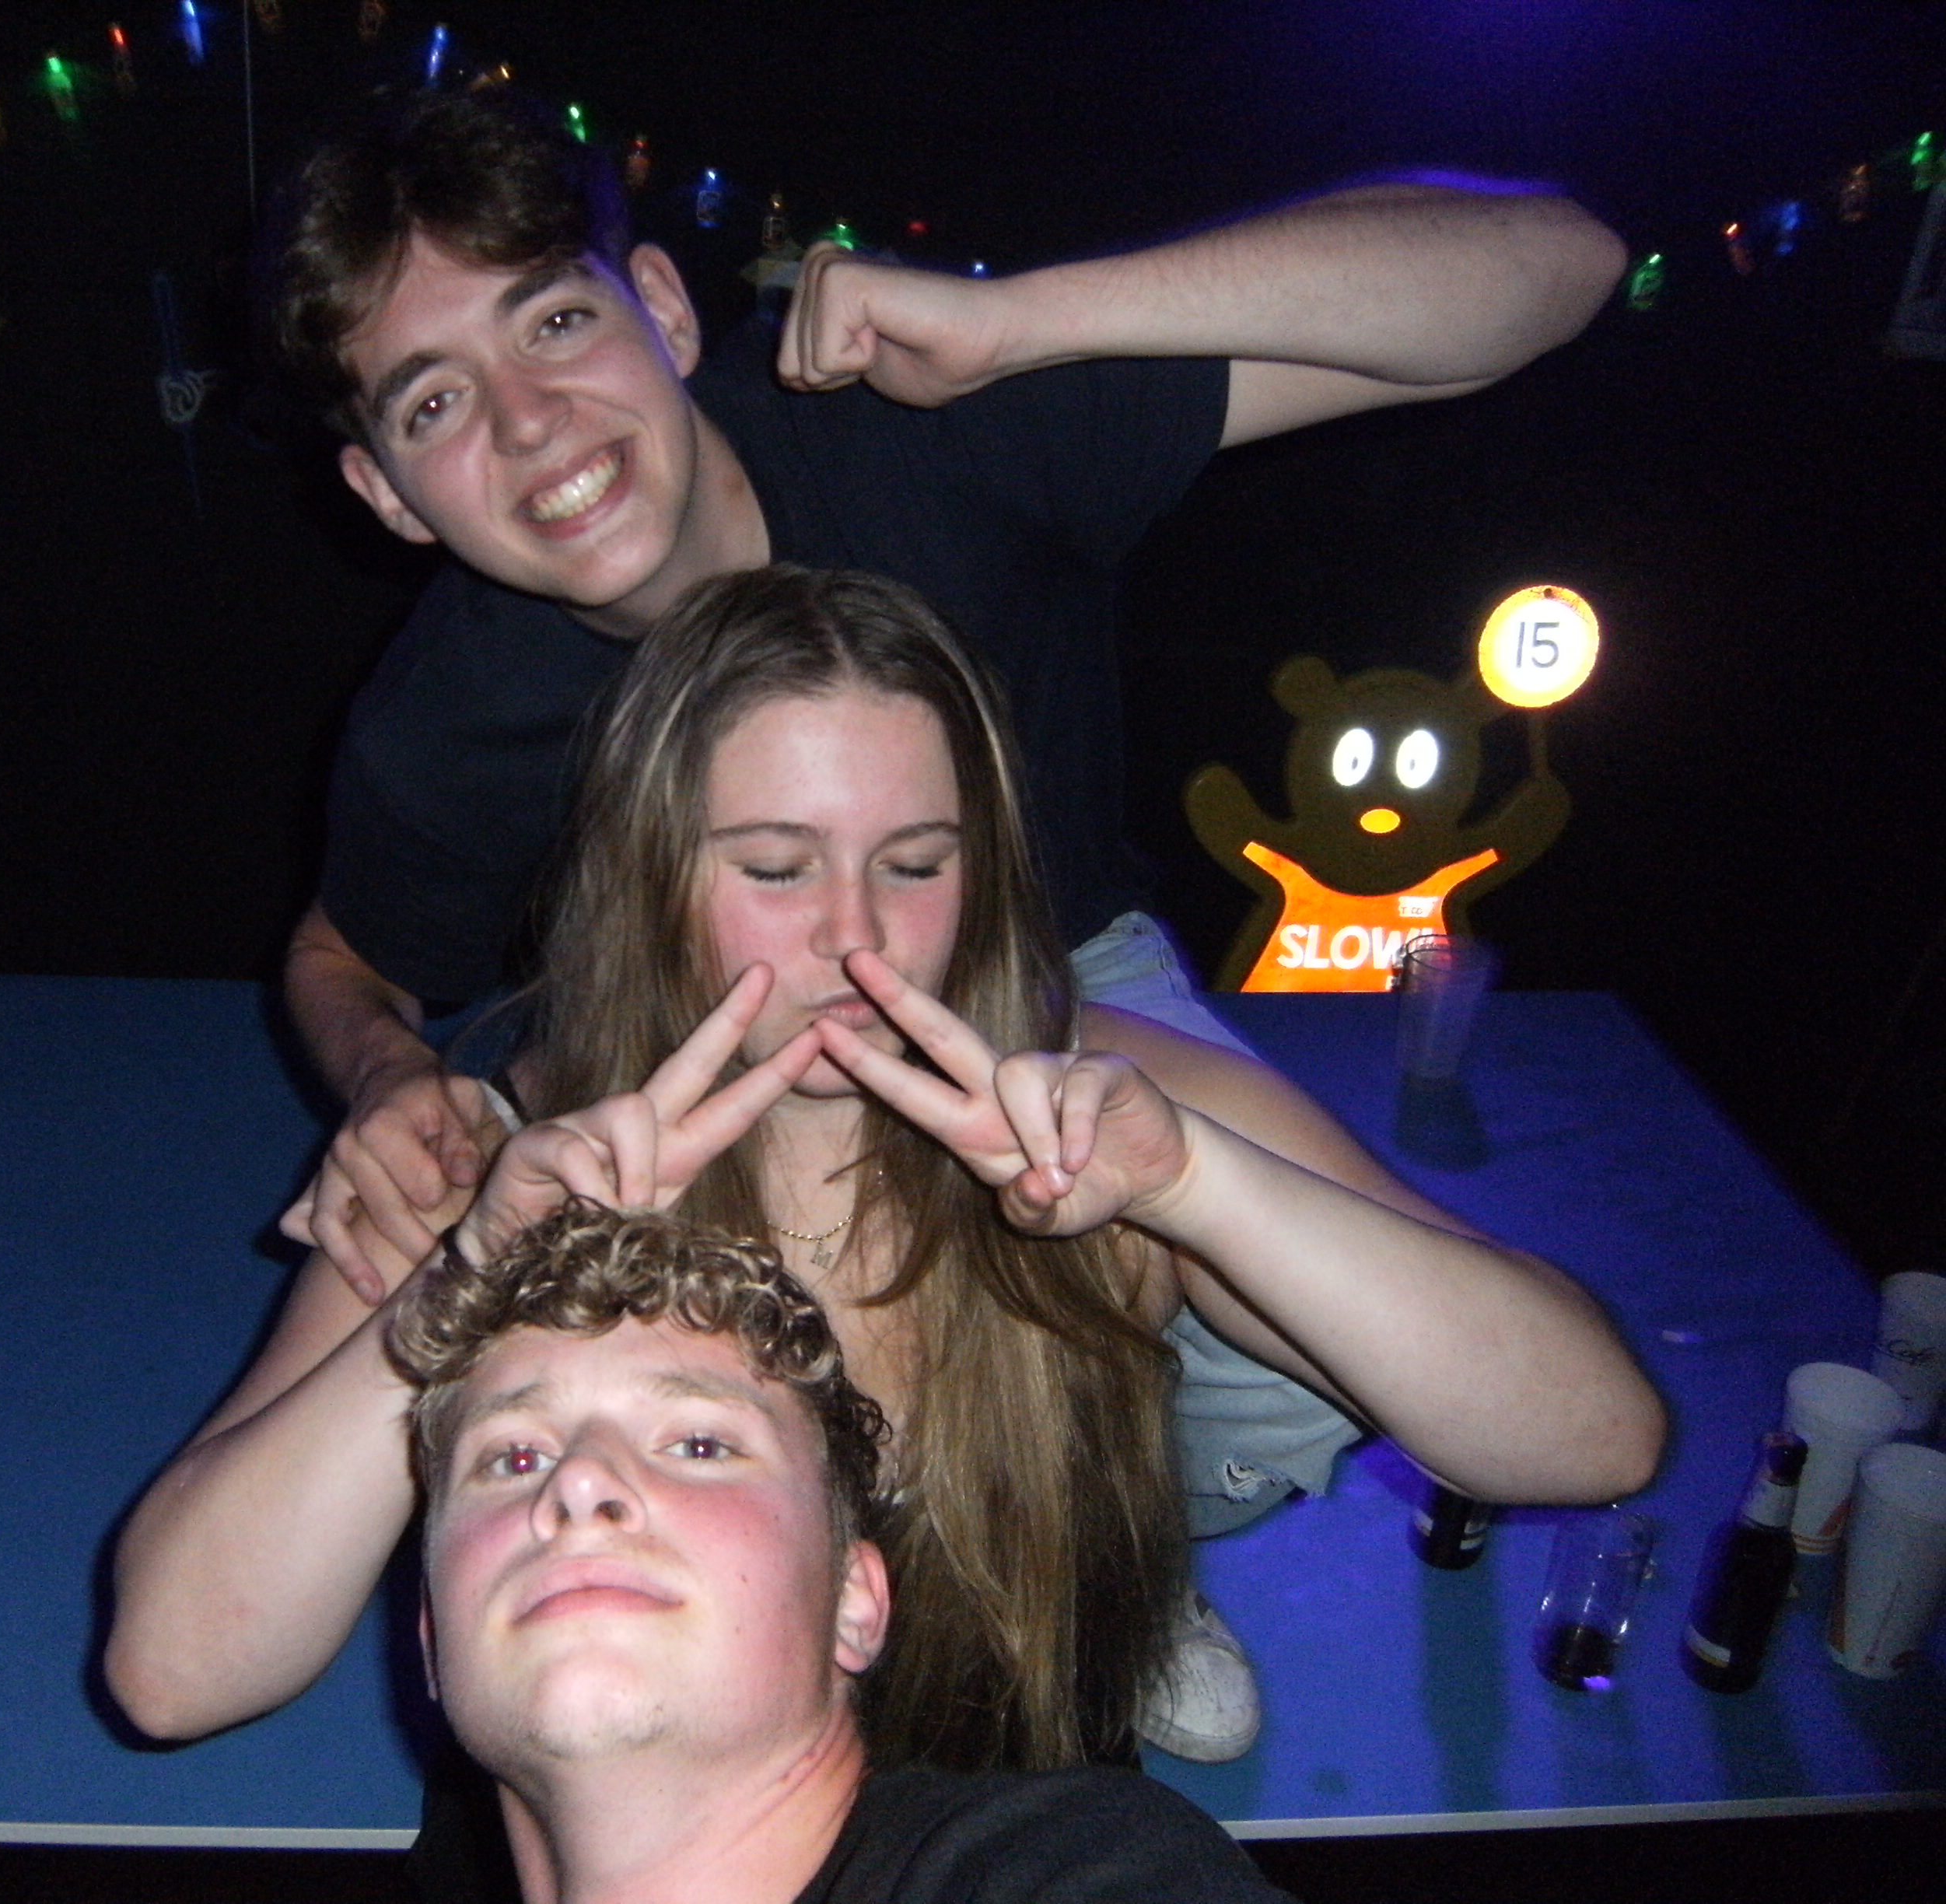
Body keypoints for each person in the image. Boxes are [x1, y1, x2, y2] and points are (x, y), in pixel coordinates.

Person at [105, 567, 1664, 1776]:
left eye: (914, 864)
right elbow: (173, 1670)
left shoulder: (1108, 1098)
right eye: (774, 867)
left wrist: (1196, 1186)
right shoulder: (510, 1158)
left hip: (1025, 1821)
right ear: (650, 876)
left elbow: (1591, 1434)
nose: (853, 935)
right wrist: (471, 1278)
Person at [270, 86, 1630, 1317]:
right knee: (495, 1309)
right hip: (693, 1035)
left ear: (665, 310)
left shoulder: (919, 420)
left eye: (556, 322)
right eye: (434, 404)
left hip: (1059, 969)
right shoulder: (447, 717)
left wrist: (1028, 322)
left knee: (1327, 1334)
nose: (527, 420)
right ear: (388, 493)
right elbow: (343, 959)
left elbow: (1556, 269)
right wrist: (390, 1073)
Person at [385, 1195, 1289, 1904]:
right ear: (429, 1634)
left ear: (855, 1601)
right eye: (513, 1458)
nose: (579, 1481)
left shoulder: (1070, 1868)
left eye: (699, 1444)